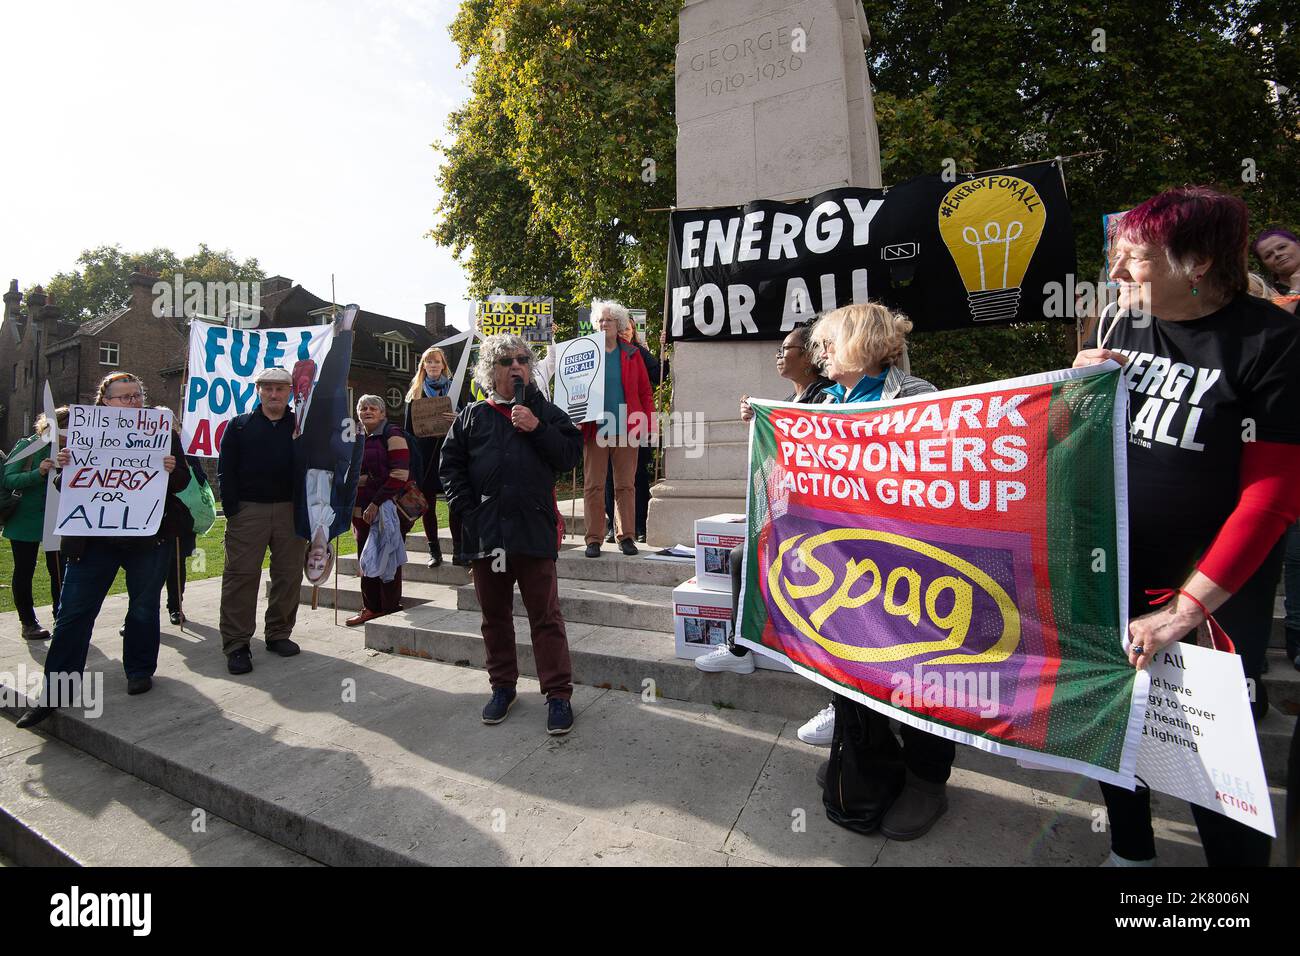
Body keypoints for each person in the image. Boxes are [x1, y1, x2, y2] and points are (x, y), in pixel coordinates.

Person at [1076, 186, 1300, 866]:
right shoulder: (1119, 323)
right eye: (1115, 258)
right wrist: (1075, 395)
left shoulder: (1271, 341)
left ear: (1199, 262)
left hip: (1214, 594)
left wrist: (1186, 609)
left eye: (1135, 261)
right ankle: (1132, 850)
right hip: (1112, 570)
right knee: (1113, 719)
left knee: (1214, 756)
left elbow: (1274, 494)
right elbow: (1068, 446)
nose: (1115, 276)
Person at [16, 374, 188, 728]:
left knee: (142, 607)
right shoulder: (84, 431)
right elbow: (69, 486)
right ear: (104, 400)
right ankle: (56, 692)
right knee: (74, 613)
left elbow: (184, 480)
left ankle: (139, 670)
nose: (133, 402)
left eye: (137, 395)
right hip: (92, 540)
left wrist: (171, 470)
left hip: (147, 538)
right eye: (124, 397)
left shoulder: (162, 432)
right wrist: (65, 465)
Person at [439, 333, 584, 735]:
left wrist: (538, 428)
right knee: (495, 617)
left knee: (546, 617)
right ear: (492, 369)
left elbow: (570, 456)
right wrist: (469, 512)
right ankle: (503, 687)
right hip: (488, 536)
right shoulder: (472, 416)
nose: (516, 365)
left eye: (522, 359)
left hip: (533, 532)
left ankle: (557, 695)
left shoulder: (547, 411)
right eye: (506, 360)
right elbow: (449, 468)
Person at [694, 324, 830, 695]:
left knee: (749, 559)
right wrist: (760, 421)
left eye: (787, 348)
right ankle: (741, 647)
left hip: (819, 522)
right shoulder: (792, 400)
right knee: (742, 558)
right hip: (789, 514)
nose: (779, 355)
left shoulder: (827, 399)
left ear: (810, 357)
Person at [217, 365, 308, 675]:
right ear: (257, 390)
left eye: (280, 388)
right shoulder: (239, 426)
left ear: (289, 392)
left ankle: (279, 633)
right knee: (241, 576)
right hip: (248, 511)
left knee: (288, 575)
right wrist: (233, 510)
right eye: (267, 388)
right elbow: (225, 471)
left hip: (290, 512)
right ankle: (237, 643)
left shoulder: (301, 426)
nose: (273, 393)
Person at [294, 307, 363, 591]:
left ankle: (331, 336)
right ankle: (345, 331)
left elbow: (292, 481)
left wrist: (295, 442)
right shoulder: (341, 524)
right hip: (338, 450)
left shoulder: (298, 525)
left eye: (311, 565)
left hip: (310, 448)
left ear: (307, 557)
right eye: (320, 567)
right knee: (336, 388)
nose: (316, 561)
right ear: (329, 560)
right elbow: (353, 482)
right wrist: (359, 442)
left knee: (317, 388)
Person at [582, 300, 652, 558]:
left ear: (619, 324)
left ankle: (627, 537)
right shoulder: (587, 353)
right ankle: (593, 539)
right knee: (594, 485)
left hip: (626, 426)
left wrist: (647, 422)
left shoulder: (633, 354)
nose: (603, 324)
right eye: (600, 320)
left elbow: (645, 391)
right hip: (594, 428)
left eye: (608, 320)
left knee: (625, 485)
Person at [345, 395, 413, 626]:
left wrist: (375, 502)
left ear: (383, 414)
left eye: (373, 408)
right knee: (367, 559)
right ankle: (374, 606)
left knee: (387, 558)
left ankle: (385, 607)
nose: (367, 411)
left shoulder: (392, 434)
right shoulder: (357, 437)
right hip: (360, 511)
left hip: (385, 510)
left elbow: (399, 475)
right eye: (363, 408)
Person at [3, 407, 68, 640]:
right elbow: (8, 478)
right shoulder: (29, 446)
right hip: (25, 519)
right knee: (24, 570)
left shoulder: (72, 450)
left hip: (58, 519)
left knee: (59, 570)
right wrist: (37, 473)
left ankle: (62, 616)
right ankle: (28, 622)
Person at [604, 324, 661, 544]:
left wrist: (662, 352)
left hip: (634, 425)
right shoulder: (603, 351)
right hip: (608, 424)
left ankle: (638, 524)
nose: (623, 332)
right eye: (620, 329)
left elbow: (655, 377)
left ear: (633, 331)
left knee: (636, 477)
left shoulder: (637, 352)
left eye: (627, 328)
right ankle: (613, 525)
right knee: (609, 477)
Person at [404, 346, 457, 567]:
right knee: (429, 505)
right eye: (429, 362)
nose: (433, 365)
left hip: (449, 454)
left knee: (455, 503)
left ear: (443, 365)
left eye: (437, 362)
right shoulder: (415, 392)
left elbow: (466, 420)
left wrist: (458, 417)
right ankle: (434, 550)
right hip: (425, 457)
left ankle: (460, 549)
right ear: (423, 366)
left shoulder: (453, 388)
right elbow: (407, 430)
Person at [1253, 228, 1300, 295]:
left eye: (1282, 247)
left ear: (1298, 244)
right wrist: (1295, 289)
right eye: (1268, 255)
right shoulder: (1269, 295)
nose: (1277, 254)